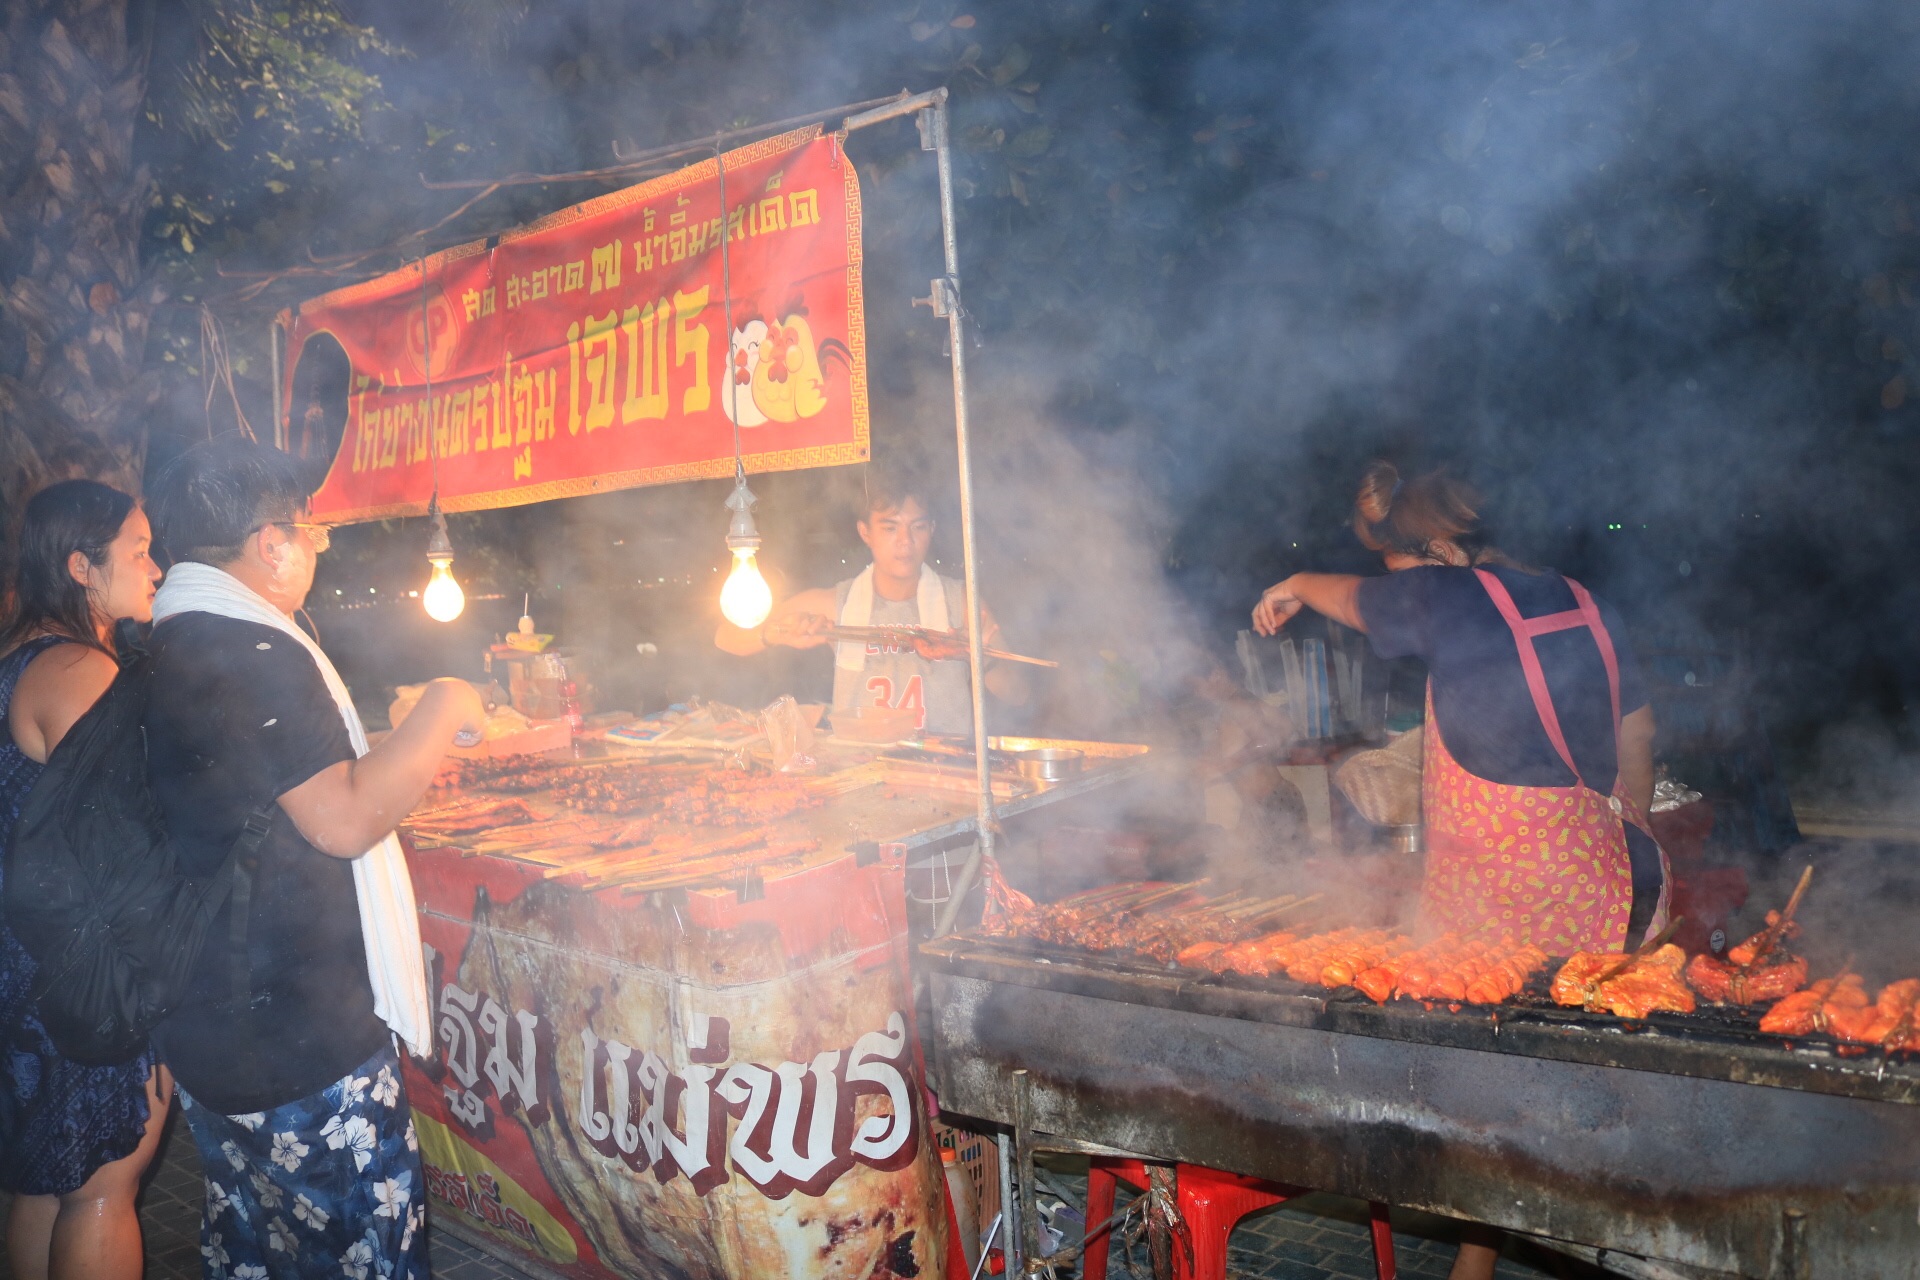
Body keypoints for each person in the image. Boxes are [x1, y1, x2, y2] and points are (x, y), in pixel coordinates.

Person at [1253, 461, 1668, 1280]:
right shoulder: (1586, 600)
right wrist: (1628, 831)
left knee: (1493, 1091)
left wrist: (1297, 579)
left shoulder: (1455, 595)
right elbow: (1641, 734)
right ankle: (1482, 1266)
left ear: (1442, 547)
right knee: (1555, 1091)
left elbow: (1358, 603)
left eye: (1401, 561)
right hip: (1604, 883)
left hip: (1502, 897)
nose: (1394, 581)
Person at [143, 439, 485, 1280]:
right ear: (270, 543)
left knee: (261, 1251)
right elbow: (345, 817)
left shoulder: (171, 638)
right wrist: (442, 704)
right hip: (294, 1037)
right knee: (370, 1255)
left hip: (212, 1021)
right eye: (313, 533)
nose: (317, 550)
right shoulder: (253, 652)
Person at [0, 480, 169, 1280]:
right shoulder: (77, 668)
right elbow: (121, 845)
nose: (156, 567)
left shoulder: (17, 655)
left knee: (40, 1183)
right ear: (80, 566)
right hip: (79, 972)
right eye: (137, 551)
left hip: (25, 958)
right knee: (104, 1186)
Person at [714, 469, 1028, 737]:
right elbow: (727, 637)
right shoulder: (836, 604)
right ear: (866, 533)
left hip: (943, 772)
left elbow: (1019, 694)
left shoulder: (961, 602)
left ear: (930, 530)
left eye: (917, 527)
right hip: (862, 778)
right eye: (890, 528)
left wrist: (983, 658)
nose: (905, 541)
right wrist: (777, 634)